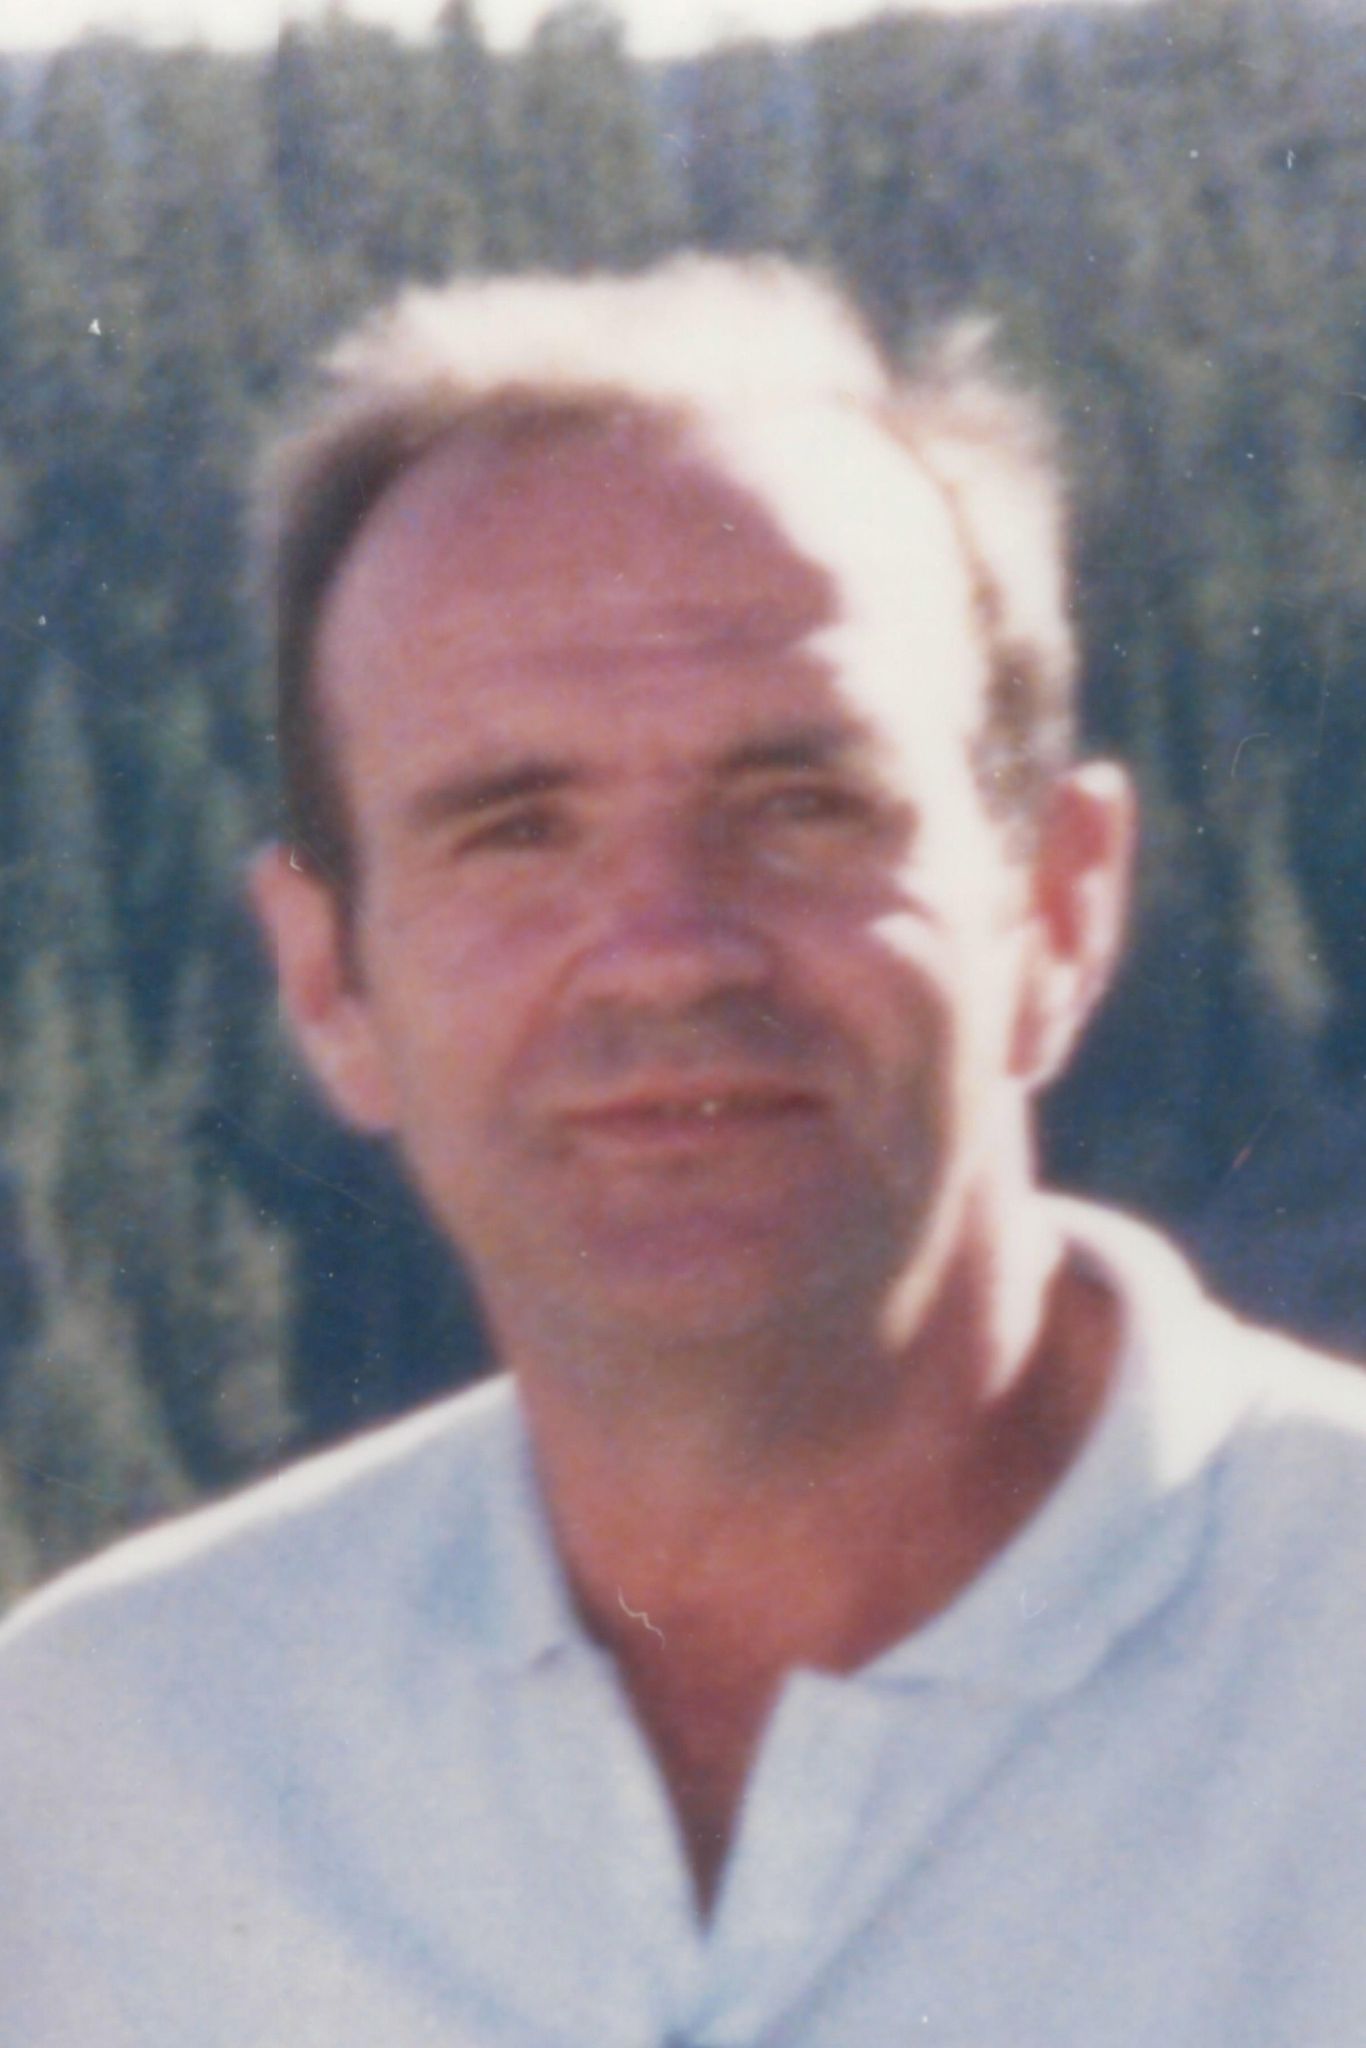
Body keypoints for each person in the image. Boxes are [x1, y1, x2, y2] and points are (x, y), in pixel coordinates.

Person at [3, 258, 1365, 2047]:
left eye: (803, 805)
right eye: (513, 829)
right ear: (328, 979)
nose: (663, 949)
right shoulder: (96, 1776)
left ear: (1055, 905)